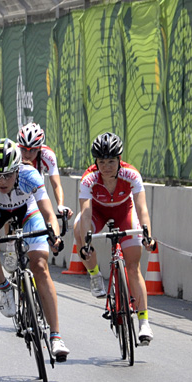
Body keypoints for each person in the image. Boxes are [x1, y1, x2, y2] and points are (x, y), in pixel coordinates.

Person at [0, 138, 70, 361]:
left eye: (7, 174)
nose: (2, 180)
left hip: (27, 210)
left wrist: (54, 237)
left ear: (17, 169)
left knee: (40, 266)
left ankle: (56, 337)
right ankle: (4, 286)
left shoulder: (30, 175)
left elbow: (48, 214)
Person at [73, 132, 158, 345]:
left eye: (111, 161)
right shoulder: (89, 178)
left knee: (133, 266)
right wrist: (85, 243)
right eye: (101, 162)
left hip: (124, 212)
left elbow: (141, 207)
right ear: (95, 162)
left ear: (119, 159)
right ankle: (94, 275)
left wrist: (147, 234)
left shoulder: (131, 174)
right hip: (97, 213)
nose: (106, 166)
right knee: (78, 229)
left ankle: (144, 322)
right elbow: (85, 212)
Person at [17, 122, 70, 220]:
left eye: (32, 150)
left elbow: (56, 185)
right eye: (24, 149)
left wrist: (60, 205)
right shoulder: (14, 152)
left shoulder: (47, 155)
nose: (27, 154)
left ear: (39, 148)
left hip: (35, 189)